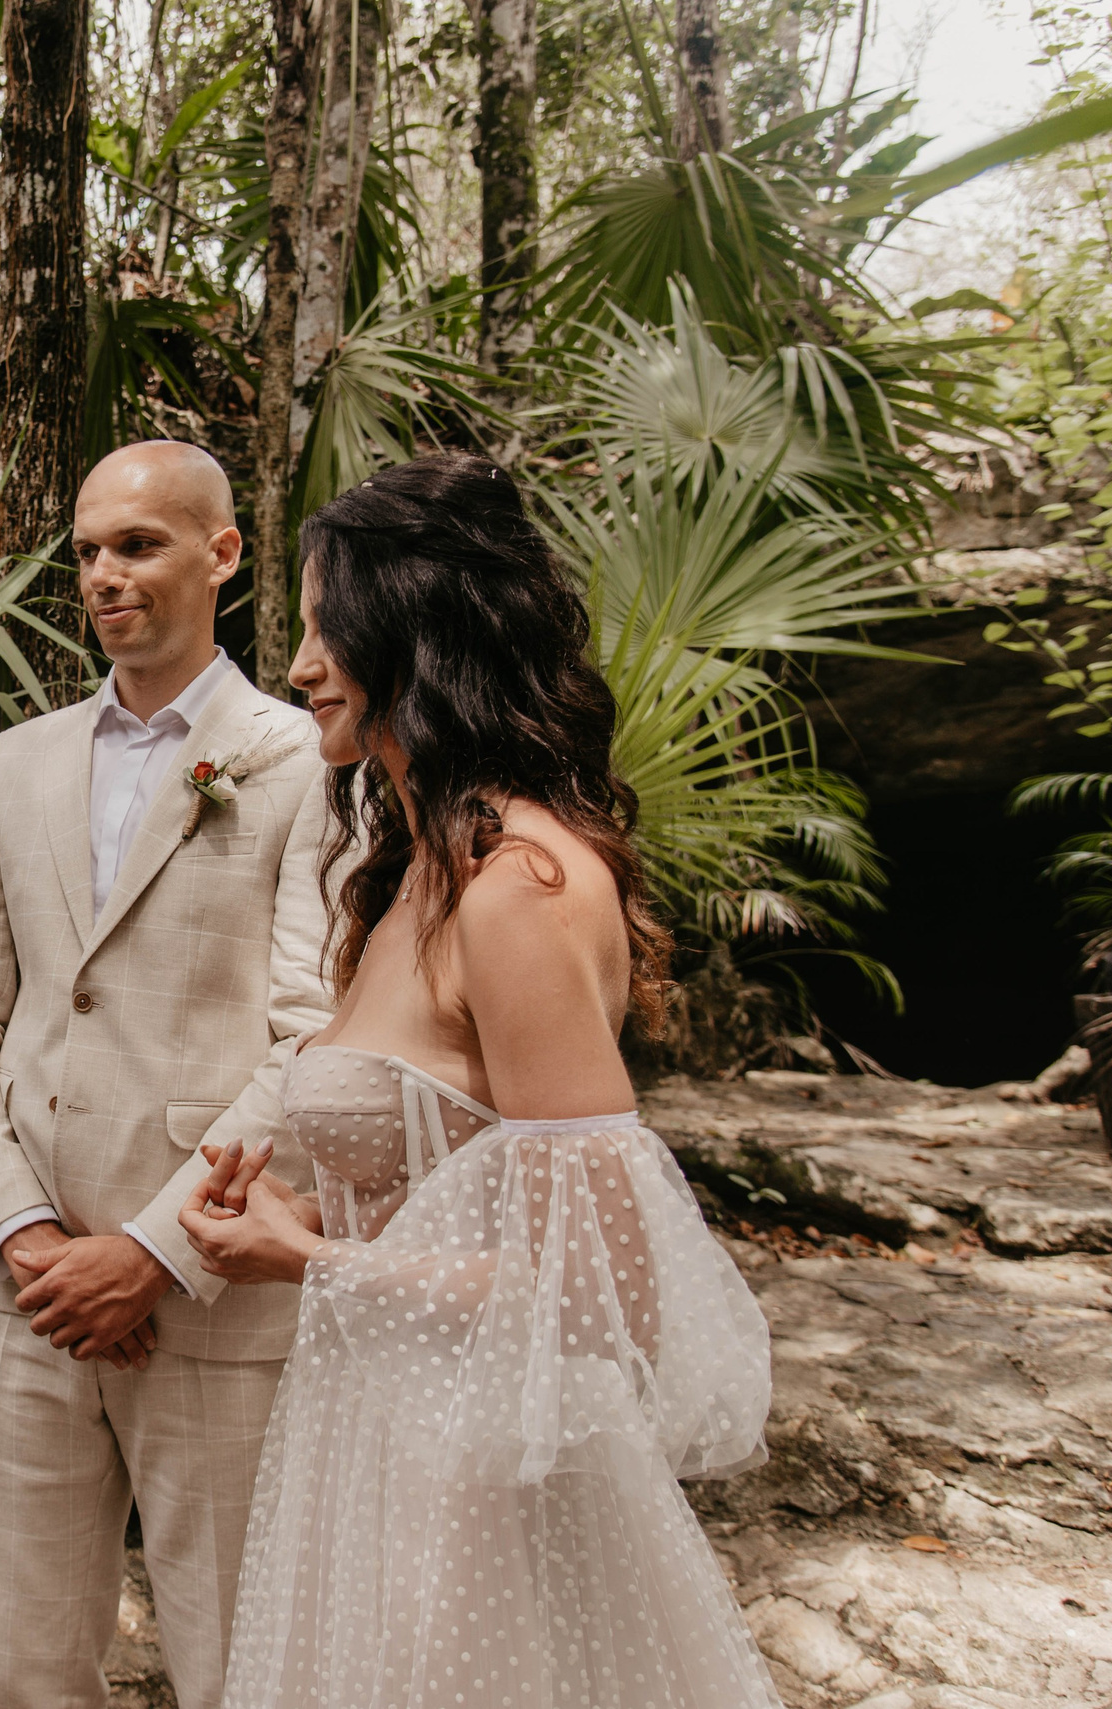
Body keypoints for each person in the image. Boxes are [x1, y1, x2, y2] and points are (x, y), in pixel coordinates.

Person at [175, 452, 781, 1709]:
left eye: (322, 624)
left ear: (416, 628)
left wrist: (303, 1260)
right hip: (382, 1438)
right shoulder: (416, 870)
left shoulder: (518, 892)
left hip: (486, 1482)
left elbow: (599, 1293)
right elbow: (447, 1170)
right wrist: (284, 1202)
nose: (295, 666)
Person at [0, 441, 333, 1709]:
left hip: (209, 1284)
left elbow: (312, 1030)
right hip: (31, 1288)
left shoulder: (303, 757)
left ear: (222, 554)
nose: (103, 573)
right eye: (89, 549)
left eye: (138, 545)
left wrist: (154, 1250)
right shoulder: (19, 760)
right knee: (30, 1664)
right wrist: (17, 1225)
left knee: (232, 1658)